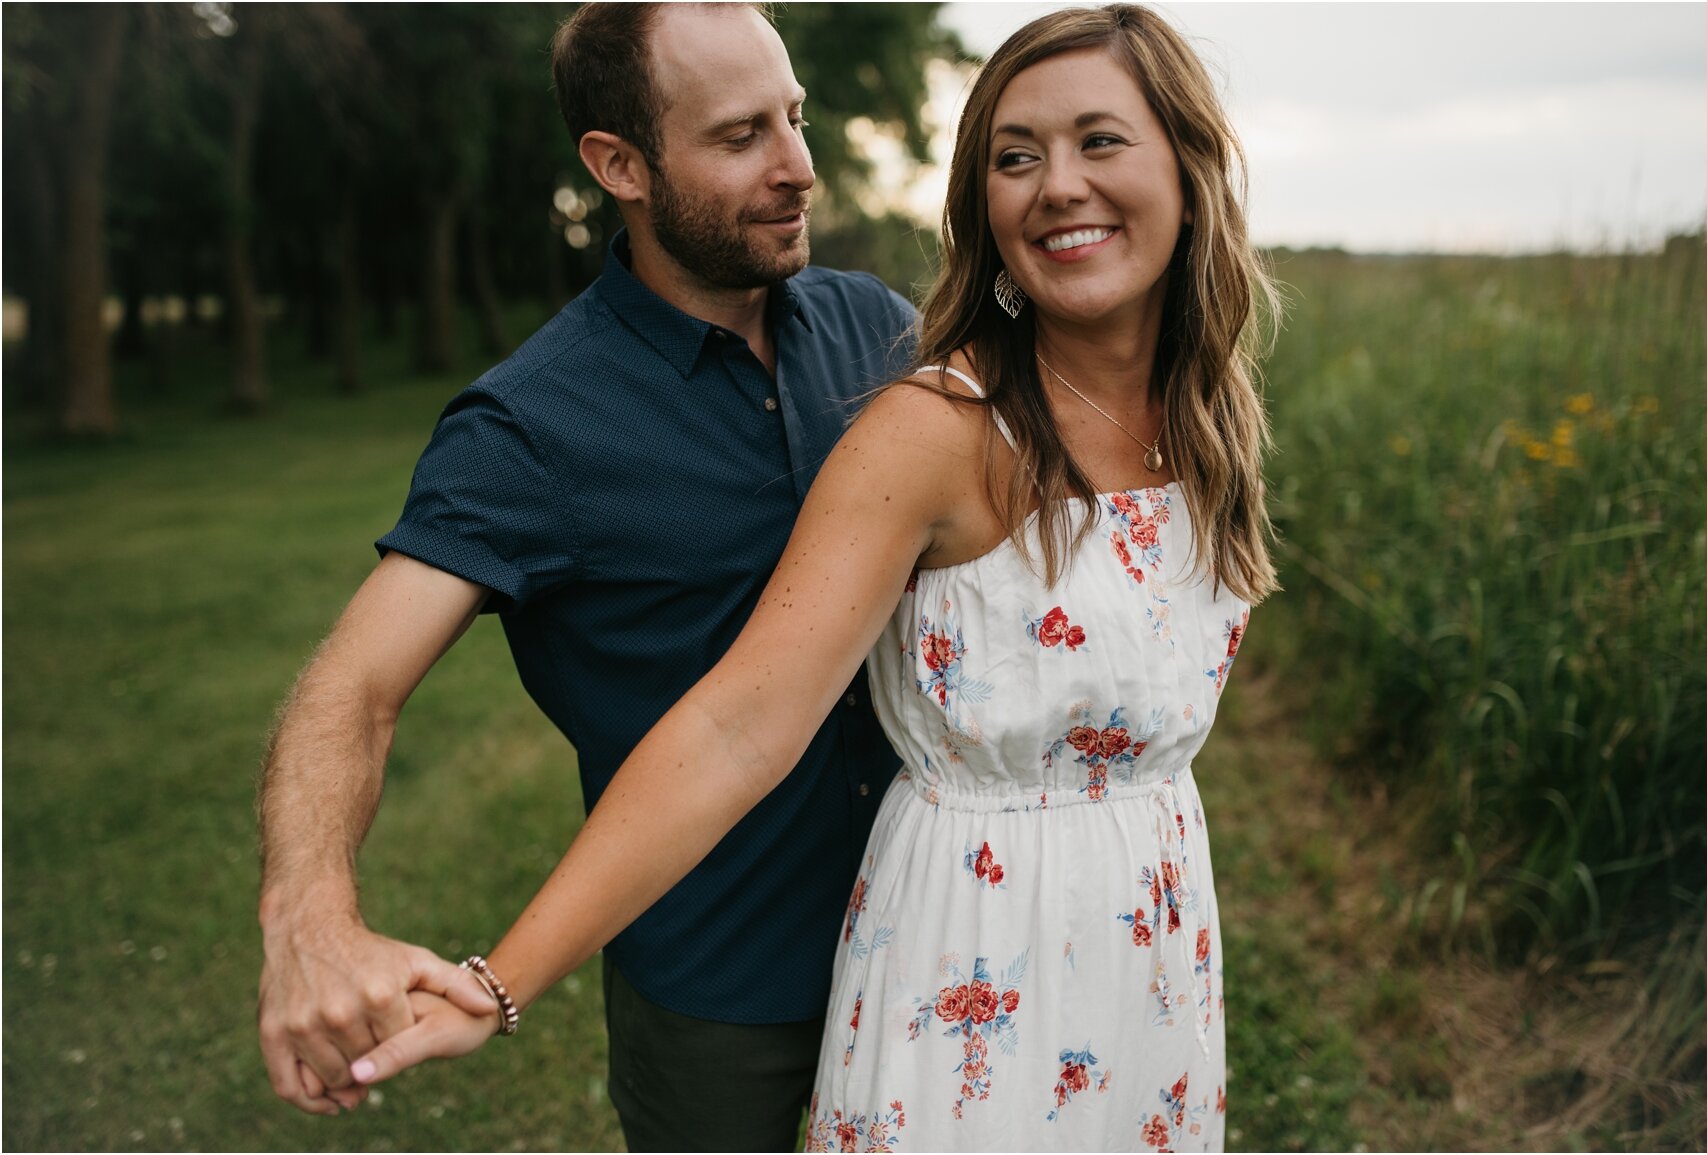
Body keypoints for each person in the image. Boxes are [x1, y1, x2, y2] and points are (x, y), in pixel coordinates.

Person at [346, 5, 1279, 1149]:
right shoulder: (926, 424)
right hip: (908, 953)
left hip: (1146, 948)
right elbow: (741, 724)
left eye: (1101, 141)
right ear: (618, 167)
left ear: (1190, 164)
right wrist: (494, 981)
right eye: (1016, 156)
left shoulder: (1197, 419)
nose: (1057, 187)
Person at [253, 4, 919, 1148]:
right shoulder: (528, 428)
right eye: (740, 135)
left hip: (937, 932)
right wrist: (307, 918)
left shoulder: (878, 331)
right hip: (718, 993)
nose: (798, 167)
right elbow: (350, 690)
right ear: (620, 166)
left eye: (796, 119)